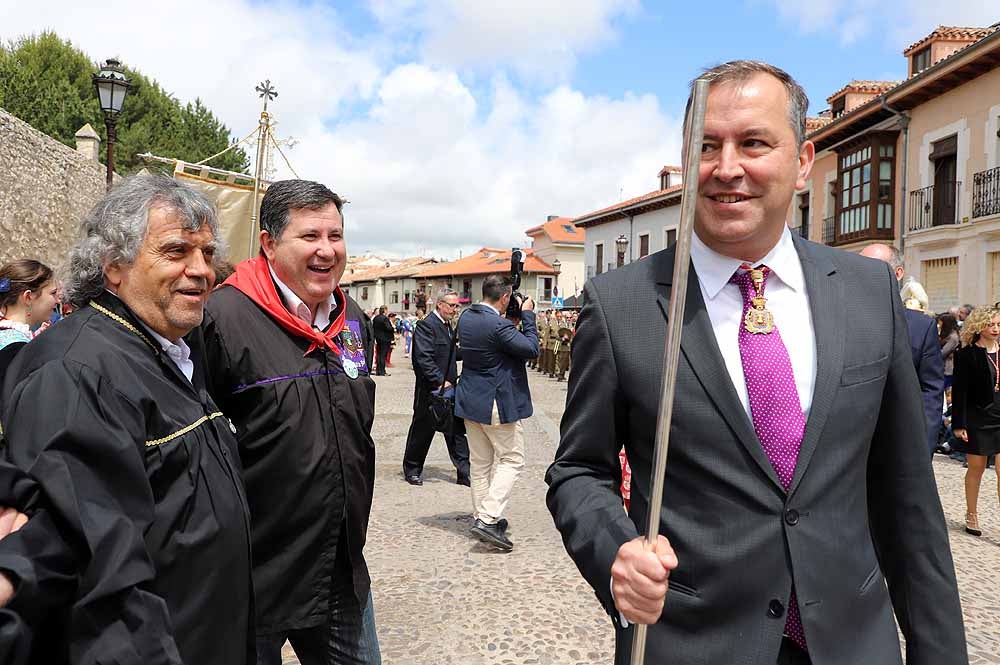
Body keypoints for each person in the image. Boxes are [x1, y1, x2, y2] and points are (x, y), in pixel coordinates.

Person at [546, 61, 965, 665]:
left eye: (754, 143)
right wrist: (615, 550)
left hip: (853, 644)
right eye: (706, 146)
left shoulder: (868, 293)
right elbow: (577, 471)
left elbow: (908, 499)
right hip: (692, 644)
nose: (727, 167)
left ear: (802, 164)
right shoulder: (622, 307)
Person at [0, 174, 254, 664]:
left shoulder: (169, 347)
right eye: (177, 251)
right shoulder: (76, 371)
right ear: (113, 266)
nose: (201, 270)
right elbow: (100, 577)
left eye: (207, 254)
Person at [201, 179, 381, 665]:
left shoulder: (353, 319)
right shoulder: (220, 318)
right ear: (269, 243)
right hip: (253, 572)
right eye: (310, 236)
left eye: (335, 236)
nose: (327, 250)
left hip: (338, 566)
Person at [455, 275, 538, 551]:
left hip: (470, 400)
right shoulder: (498, 325)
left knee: (480, 464)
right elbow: (531, 349)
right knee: (513, 458)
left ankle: (482, 515)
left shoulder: (466, 317)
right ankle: (488, 518)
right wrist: (527, 315)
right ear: (504, 298)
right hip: (494, 402)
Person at [859, 243, 944, 455]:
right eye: (858, 267)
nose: (862, 273)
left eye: (873, 267)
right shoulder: (839, 318)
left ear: (898, 273)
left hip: (900, 443)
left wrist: (924, 443)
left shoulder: (921, 327)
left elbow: (930, 390)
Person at [402, 288, 471, 486]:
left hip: (450, 390)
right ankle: (412, 469)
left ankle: (464, 472)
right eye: (452, 305)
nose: (455, 309)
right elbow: (423, 358)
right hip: (430, 390)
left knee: (456, 432)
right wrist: (439, 380)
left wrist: (471, 352)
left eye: (457, 306)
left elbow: (450, 352)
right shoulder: (426, 326)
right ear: (440, 304)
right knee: (422, 431)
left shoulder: (448, 325)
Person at [950, 306, 1000, 537]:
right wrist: (959, 424)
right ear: (979, 326)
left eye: (998, 324)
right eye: (991, 324)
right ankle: (971, 514)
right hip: (979, 417)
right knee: (976, 468)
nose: (996, 329)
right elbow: (960, 392)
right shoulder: (967, 354)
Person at [0, 260, 58, 384]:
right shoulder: (15, 350)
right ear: (28, 297)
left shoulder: (11, 340)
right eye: (53, 293)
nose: (57, 301)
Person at [939, 313, 961, 390]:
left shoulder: (953, 337)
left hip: (949, 369)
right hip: (945, 368)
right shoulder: (948, 335)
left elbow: (943, 353)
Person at [372, 305, 394, 376]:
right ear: (384, 310)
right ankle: (382, 371)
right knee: (383, 355)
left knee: (379, 355)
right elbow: (388, 328)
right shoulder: (385, 318)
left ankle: (378, 371)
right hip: (385, 339)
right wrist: (393, 328)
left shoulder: (376, 318)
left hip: (378, 339)